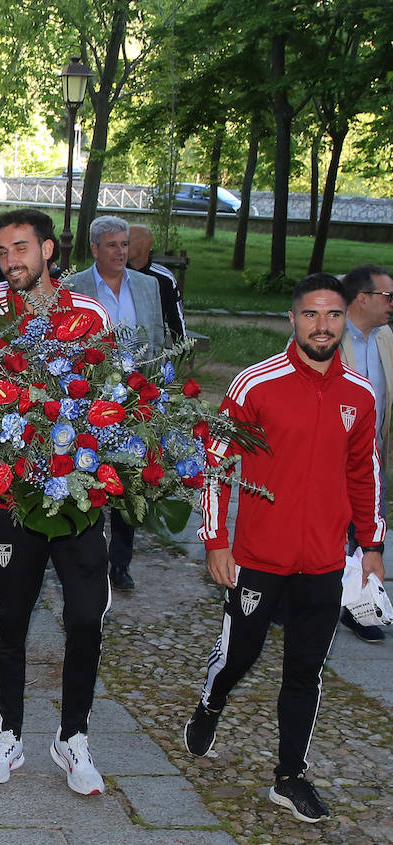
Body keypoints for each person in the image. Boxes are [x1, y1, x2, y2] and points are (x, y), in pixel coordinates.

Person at [186, 273, 385, 824]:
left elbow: (363, 473)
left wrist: (371, 545)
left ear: (346, 319)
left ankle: (289, 776)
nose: (322, 326)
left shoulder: (360, 395)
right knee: (241, 655)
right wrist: (215, 541)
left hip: (324, 561)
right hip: (258, 558)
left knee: (306, 670)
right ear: (292, 319)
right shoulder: (256, 384)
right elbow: (215, 463)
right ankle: (212, 700)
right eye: (311, 314)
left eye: (334, 315)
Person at [0, 209, 114, 797]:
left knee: (83, 618)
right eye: (1, 252)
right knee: (10, 620)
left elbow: (113, 394)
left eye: (20, 248)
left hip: (76, 493)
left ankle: (73, 736)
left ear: (49, 250)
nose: (10, 262)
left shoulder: (90, 314)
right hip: (10, 492)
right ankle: (8, 734)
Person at [63, 215, 169, 592]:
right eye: (112, 245)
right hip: (87, 398)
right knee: (86, 473)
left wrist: (155, 390)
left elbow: (156, 341)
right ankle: (80, 557)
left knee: (129, 479)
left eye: (124, 244)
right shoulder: (74, 286)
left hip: (135, 397)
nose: (121, 252)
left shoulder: (147, 286)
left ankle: (120, 563)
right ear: (95, 248)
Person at [337, 264, 393, 642]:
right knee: (324, 534)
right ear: (363, 298)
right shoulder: (327, 336)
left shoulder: (387, 338)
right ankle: (297, 599)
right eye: (387, 296)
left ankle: (359, 608)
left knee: (367, 533)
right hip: (330, 459)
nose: (391, 303)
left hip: (373, 459)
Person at [126, 224, 186, 343]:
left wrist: (182, 350)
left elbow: (176, 317)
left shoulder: (164, 279)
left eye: (126, 243)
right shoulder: (113, 273)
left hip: (152, 346)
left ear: (142, 245)